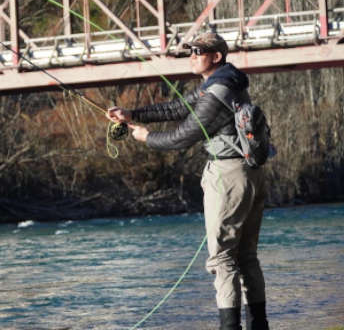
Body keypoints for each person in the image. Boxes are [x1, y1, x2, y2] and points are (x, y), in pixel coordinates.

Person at [107, 32, 269, 330]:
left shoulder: (218, 92)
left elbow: (184, 135)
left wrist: (147, 137)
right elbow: (178, 107)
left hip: (229, 176)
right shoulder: (225, 82)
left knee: (223, 260)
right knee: (246, 257)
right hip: (250, 173)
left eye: (197, 51)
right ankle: (259, 326)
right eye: (189, 51)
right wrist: (131, 113)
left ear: (216, 57)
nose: (191, 56)